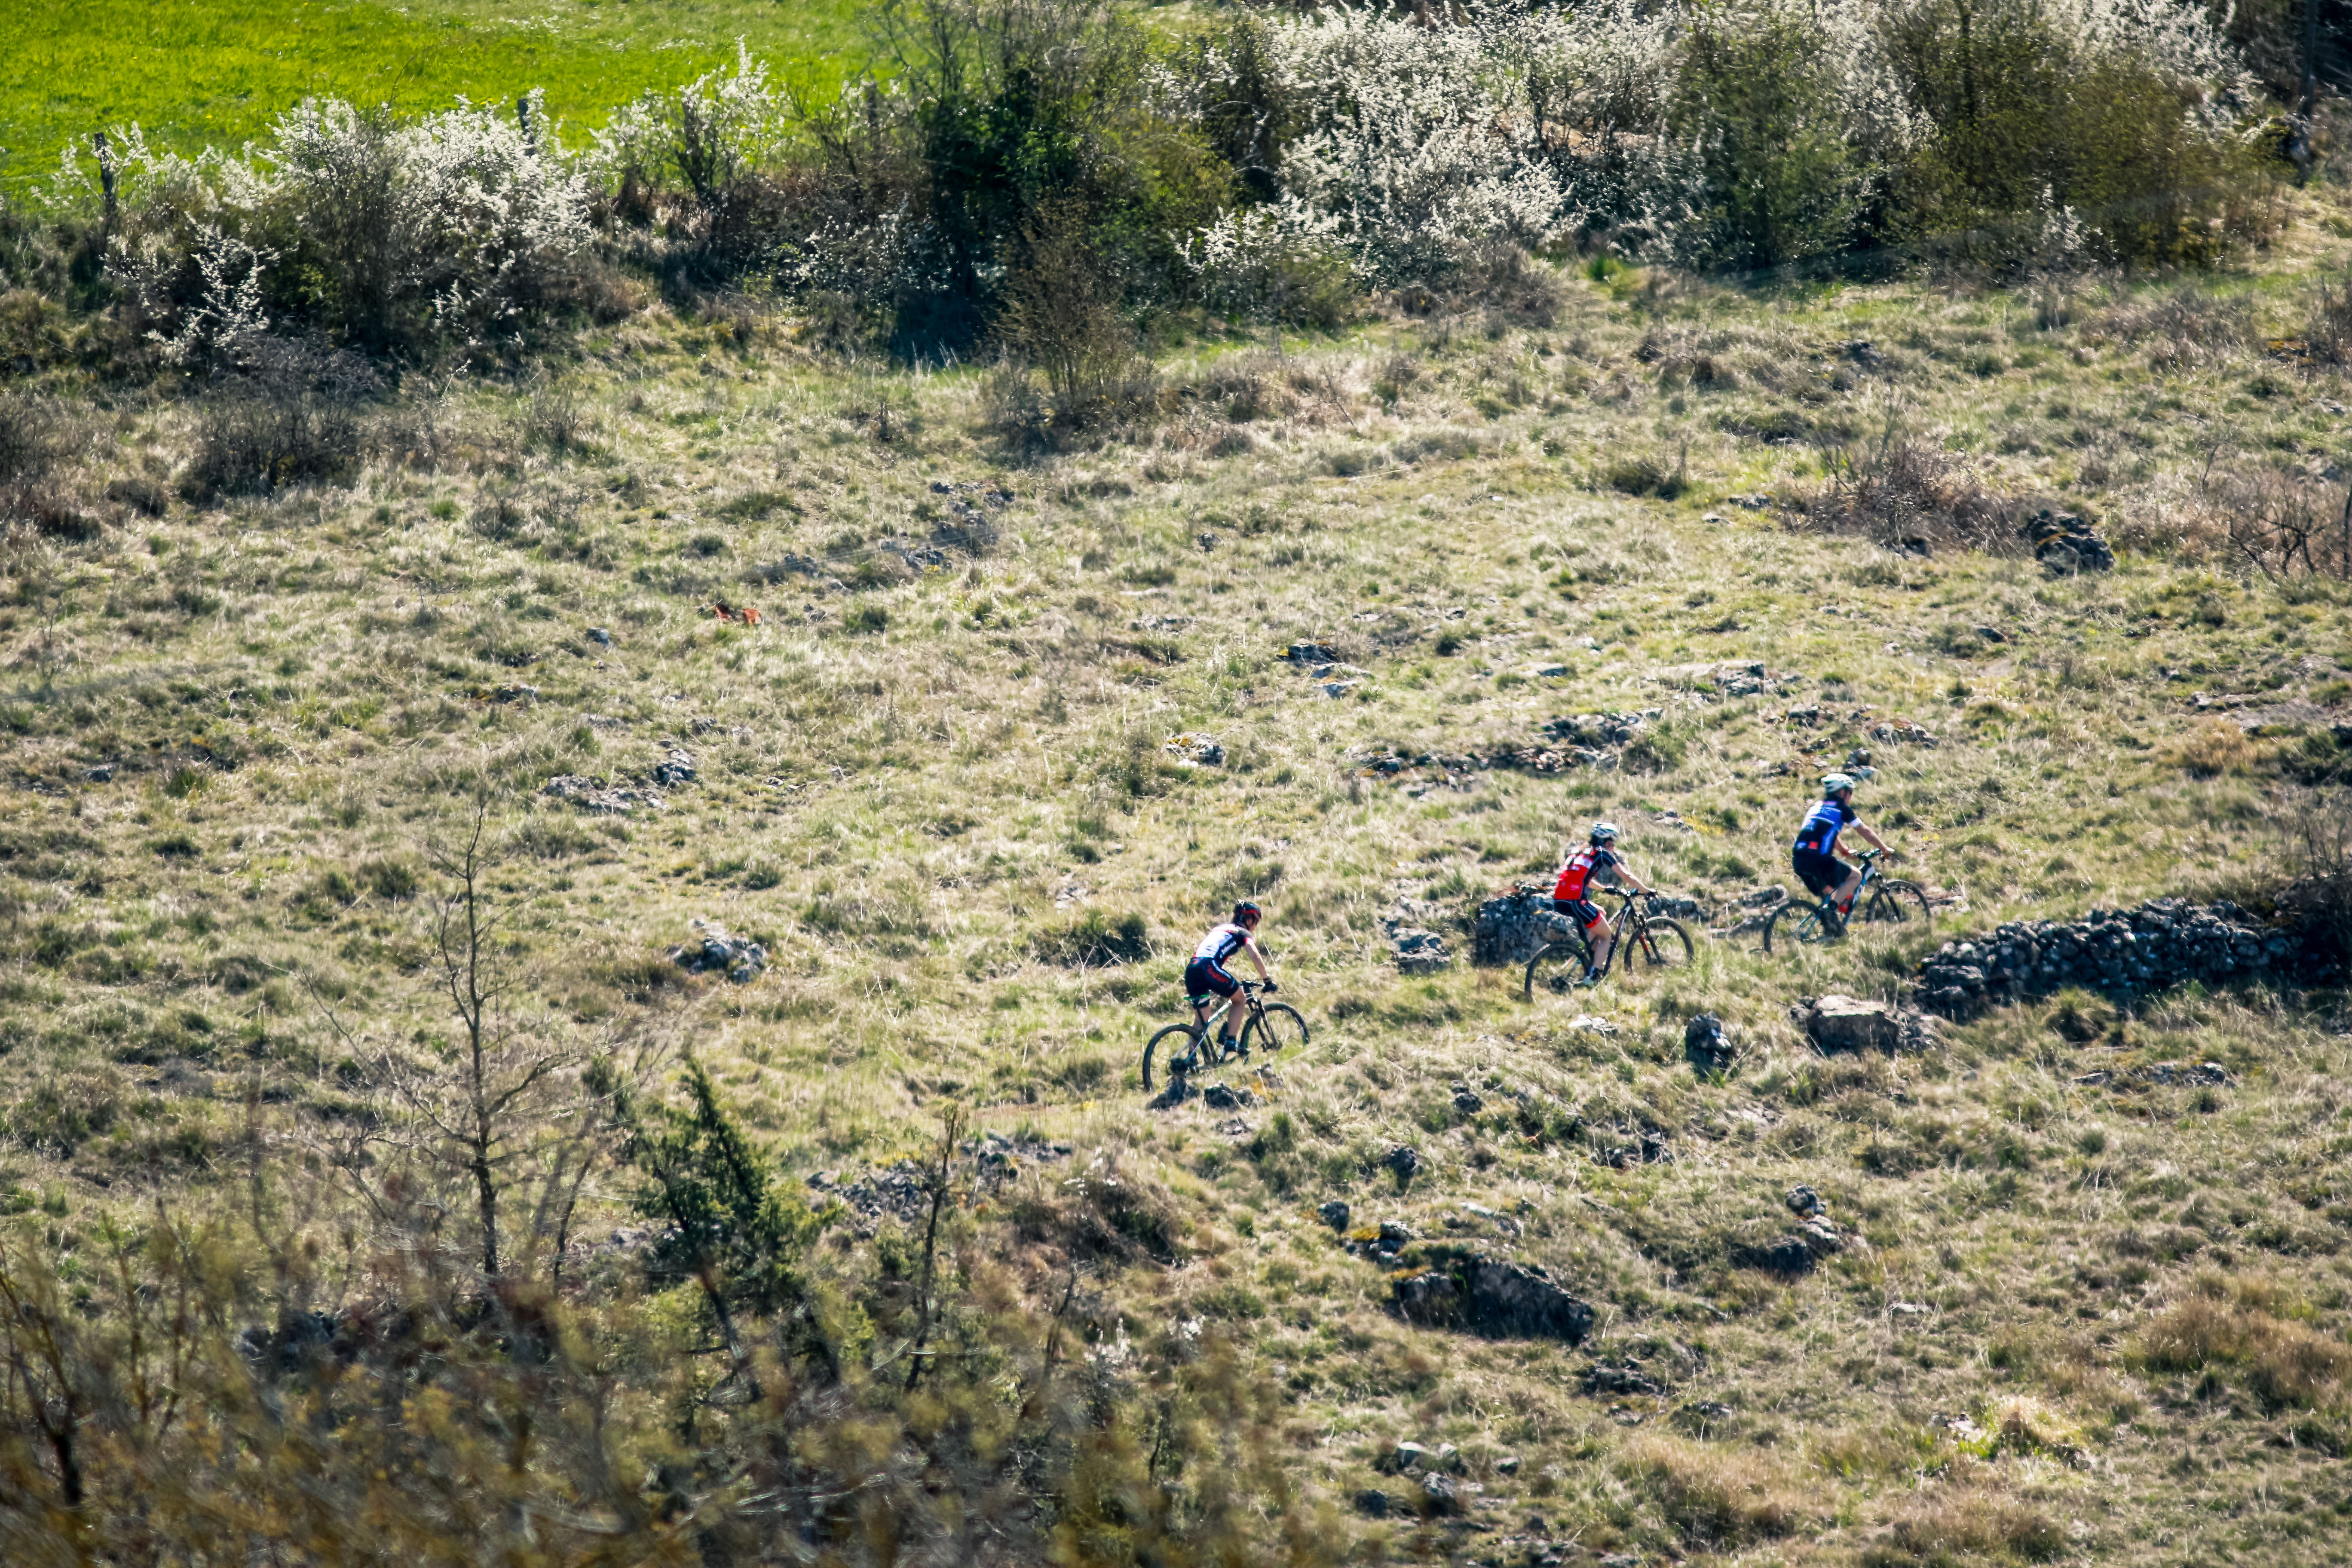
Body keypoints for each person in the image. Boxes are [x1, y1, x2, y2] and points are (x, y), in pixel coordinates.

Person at [1553, 822, 1653, 986]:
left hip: (1560, 900)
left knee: (1602, 913)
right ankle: (1593, 977)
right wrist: (1645, 890)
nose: (1613, 846)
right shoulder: (1601, 854)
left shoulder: (1579, 853)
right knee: (1607, 936)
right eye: (1613, 843)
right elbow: (1626, 876)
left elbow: (1584, 879)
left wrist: (1605, 889)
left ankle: (1589, 958)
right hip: (1577, 901)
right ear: (1608, 842)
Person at [1792, 772, 1898, 916]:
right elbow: (1865, 831)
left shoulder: (1816, 808)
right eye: (1851, 792)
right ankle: (1832, 909)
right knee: (1856, 876)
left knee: (1830, 891)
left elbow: (1827, 834)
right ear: (1842, 791)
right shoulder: (1842, 809)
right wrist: (1884, 849)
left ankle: (1832, 929)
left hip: (1799, 860)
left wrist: (1844, 851)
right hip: (1819, 861)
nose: (1851, 796)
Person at [1185, 902, 1278, 1057]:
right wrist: (1267, 980)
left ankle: (1190, 1059)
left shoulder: (1220, 928)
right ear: (1249, 920)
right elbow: (1254, 955)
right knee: (1240, 999)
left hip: (1193, 968)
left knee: (1202, 1018)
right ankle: (1231, 1040)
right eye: (1256, 922)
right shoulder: (1243, 933)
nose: (1255, 926)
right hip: (1208, 967)